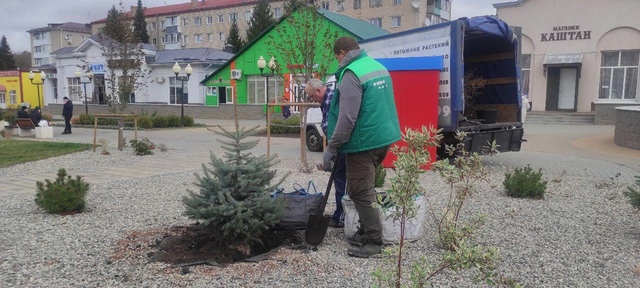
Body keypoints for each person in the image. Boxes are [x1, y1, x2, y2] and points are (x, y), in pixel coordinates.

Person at [324, 36, 401, 258]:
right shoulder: (378, 67)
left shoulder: (351, 73)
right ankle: (365, 230)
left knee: (359, 191)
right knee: (363, 186)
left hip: (363, 142)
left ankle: (374, 241)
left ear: (341, 53)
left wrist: (332, 147)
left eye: (337, 57)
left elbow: (347, 118)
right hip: (382, 138)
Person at [305, 78, 346, 229]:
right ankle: (341, 215)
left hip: (341, 146)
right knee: (341, 179)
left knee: (340, 179)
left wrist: (330, 151)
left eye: (312, 96)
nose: (312, 99)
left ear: (318, 91)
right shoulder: (329, 98)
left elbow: (331, 128)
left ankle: (340, 217)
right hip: (341, 145)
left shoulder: (329, 100)